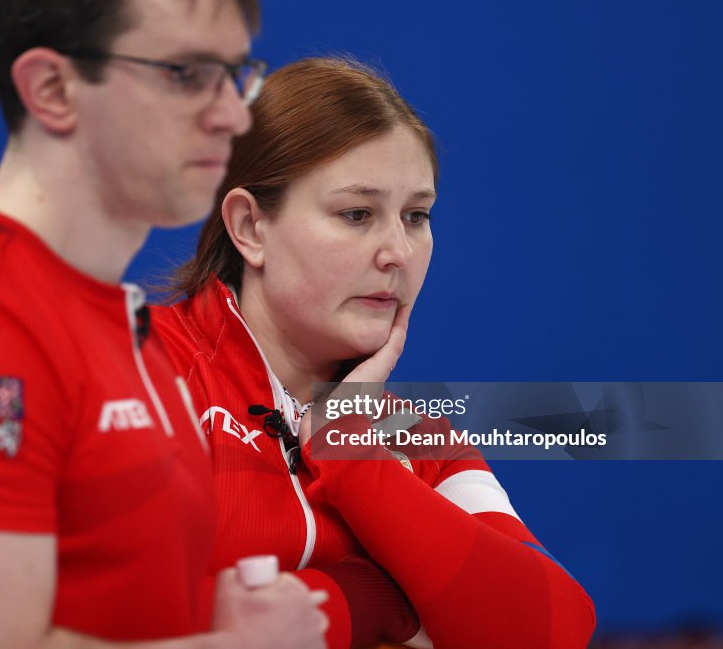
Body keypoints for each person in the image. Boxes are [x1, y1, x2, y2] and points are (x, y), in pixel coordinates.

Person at [0, 0, 331, 647]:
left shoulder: (116, 320)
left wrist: (205, 612)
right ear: (53, 89)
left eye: (235, 73)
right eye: (186, 73)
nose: (235, 114)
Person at [152, 57, 598, 648]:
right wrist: (371, 597)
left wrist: (350, 452)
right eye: (356, 214)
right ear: (250, 228)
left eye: (416, 216)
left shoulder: (410, 432)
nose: (398, 252)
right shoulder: (138, 367)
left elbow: (551, 629)